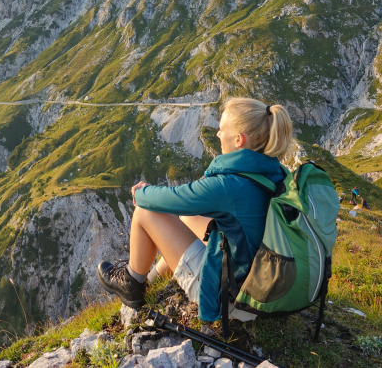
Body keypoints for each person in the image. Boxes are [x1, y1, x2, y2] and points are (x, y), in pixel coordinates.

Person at [96, 98, 296, 321]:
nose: (218, 135)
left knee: (145, 213)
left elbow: (176, 198)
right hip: (257, 285)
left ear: (239, 140)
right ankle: (151, 281)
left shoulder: (230, 185)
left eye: (222, 130)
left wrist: (141, 192)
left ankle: (132, 284)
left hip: (230, 301)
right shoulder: (273, 171)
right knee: (190, 219)